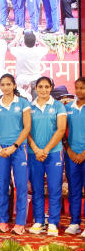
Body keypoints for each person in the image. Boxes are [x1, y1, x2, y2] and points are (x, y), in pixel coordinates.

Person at [27, 77, 66, 236]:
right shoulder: (29, 108)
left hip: (54, 153)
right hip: (34, 154)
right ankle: (38, 221)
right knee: (36, 189)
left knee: (54, 188)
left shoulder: (58, 106)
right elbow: (26, 131)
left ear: (51, 88)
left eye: (46, 87)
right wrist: (36, 150)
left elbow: (61, 130)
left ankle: (53, 222)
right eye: (40, 87)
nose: (43, 90)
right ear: (35, 88)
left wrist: (46, 149)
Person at [0, 74, 31, 235]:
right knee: (2, 186)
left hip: (19, 148)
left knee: (21, 186)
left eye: (9, 84)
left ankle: (20, 223)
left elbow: (27, 127)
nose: (6, 87)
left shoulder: (23, 103)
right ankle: (3, 222)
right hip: (1, 150)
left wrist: (14, 146)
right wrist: (0, 148)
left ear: (14, 85)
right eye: (3, 84)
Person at [63, 77, 85, 236]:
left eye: (82, 88)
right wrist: (69, 151)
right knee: (74, 190)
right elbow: (62, 131)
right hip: (71, 155)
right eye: (77, 87)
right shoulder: (68, 108)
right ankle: (75, 222)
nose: (79, 91)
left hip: (84, 155)